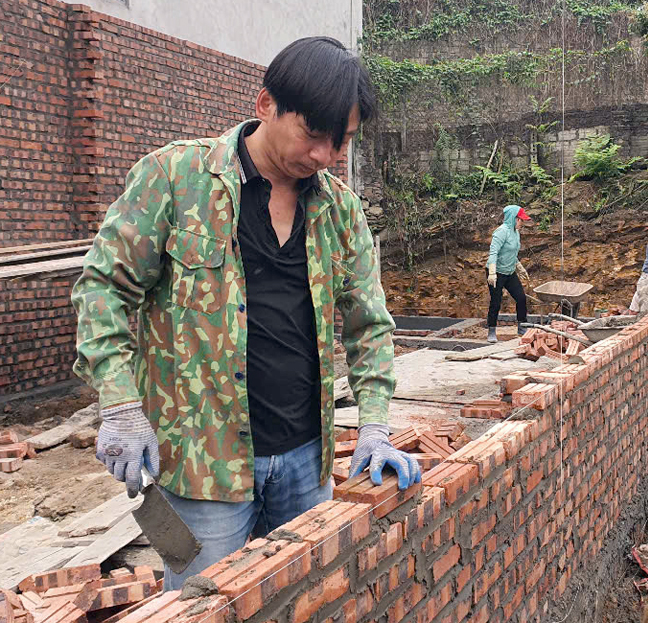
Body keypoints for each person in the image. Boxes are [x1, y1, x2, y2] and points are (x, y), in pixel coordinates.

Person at [71, 36, 420, 589]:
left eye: (342, 141)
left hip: (306, 463)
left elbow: (369, 324)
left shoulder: (338, 208)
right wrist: (119, 405)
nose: (326, 156)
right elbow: (102, 291)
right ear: (265, 107)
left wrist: (376, 423)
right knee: (202, 604)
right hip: (202, 469)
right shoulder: (175, 179)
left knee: (305, 597)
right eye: (314, 136)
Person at [486, 205, 532, 343]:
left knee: (521, 298)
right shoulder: (501, 232)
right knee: (496, 301)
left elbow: (511, 253)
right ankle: (492, 330)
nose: (522, 223)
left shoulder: (515, 232)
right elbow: (493, 253)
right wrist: (492, 273)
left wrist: (520, 268)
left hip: (510, 271)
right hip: (497, 272)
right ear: (513, 218)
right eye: (520, 220)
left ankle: (521, 326)